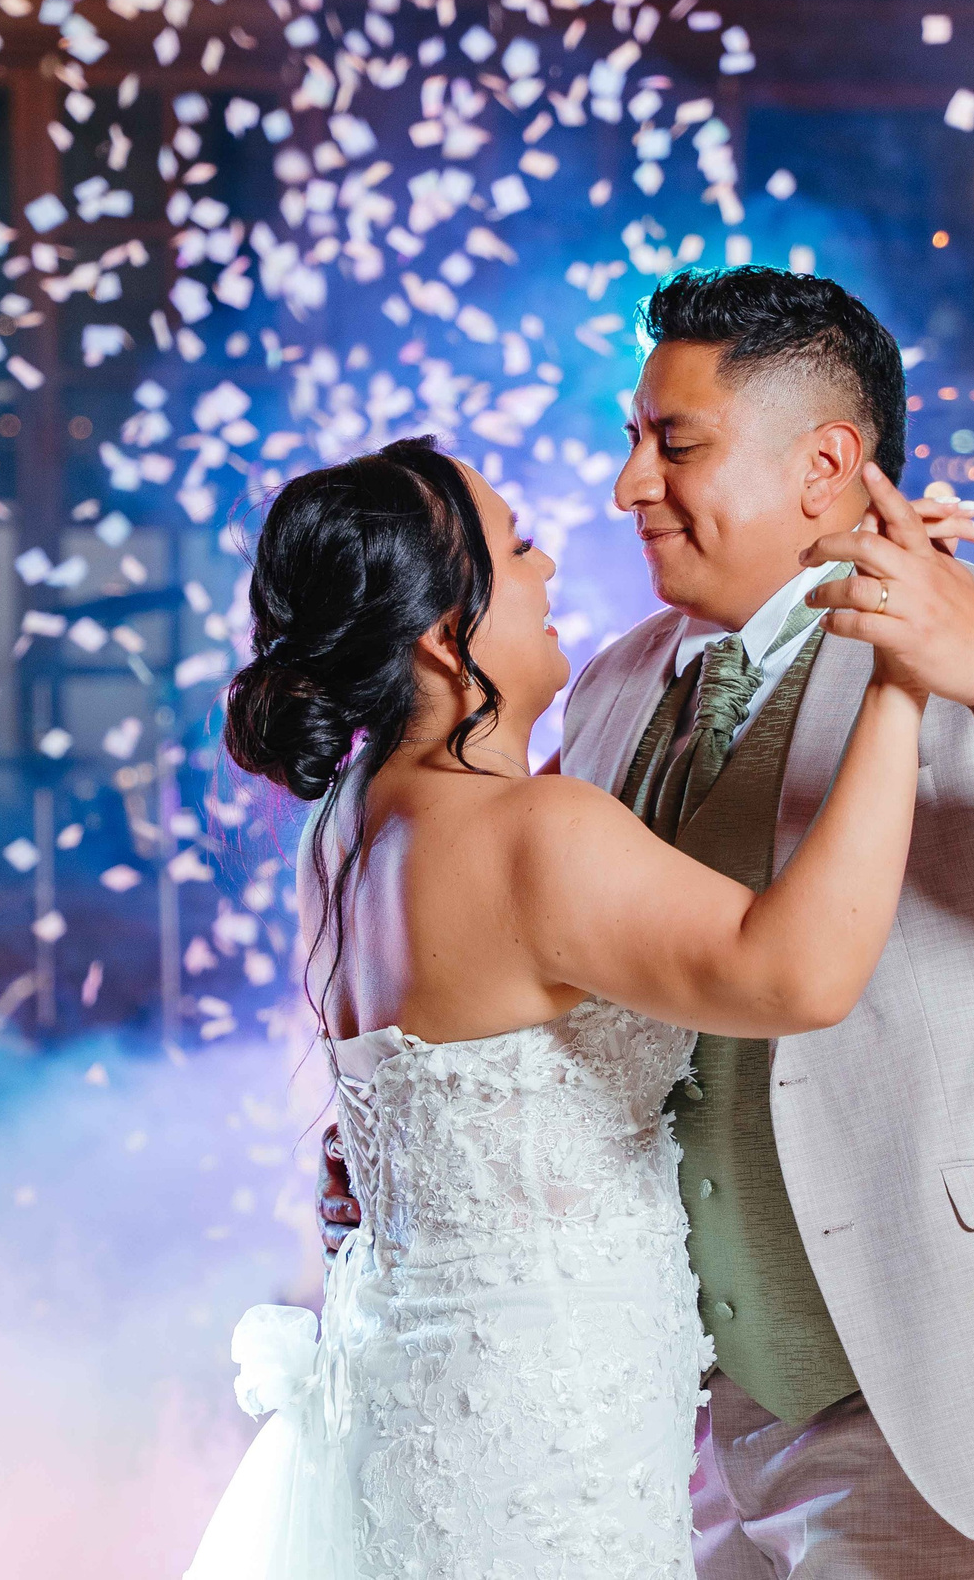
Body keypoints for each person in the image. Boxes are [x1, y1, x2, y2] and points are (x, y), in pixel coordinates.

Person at [321, 267, 974, 1578]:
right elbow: (543, 970)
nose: (628, 486)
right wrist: (415, 1130)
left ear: (825, 466)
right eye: (635, 441)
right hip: (665, 1405)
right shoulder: (612, 683)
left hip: (931, 1372)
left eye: (673, 445)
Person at [187, 435, 935, 1578]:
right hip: (543, 1420)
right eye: (516, 547)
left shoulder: (343, 831)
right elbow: (799, 973)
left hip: (419, 1391)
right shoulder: (533, 834)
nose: (546, 572)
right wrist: (899, 682)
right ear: (444, 636)